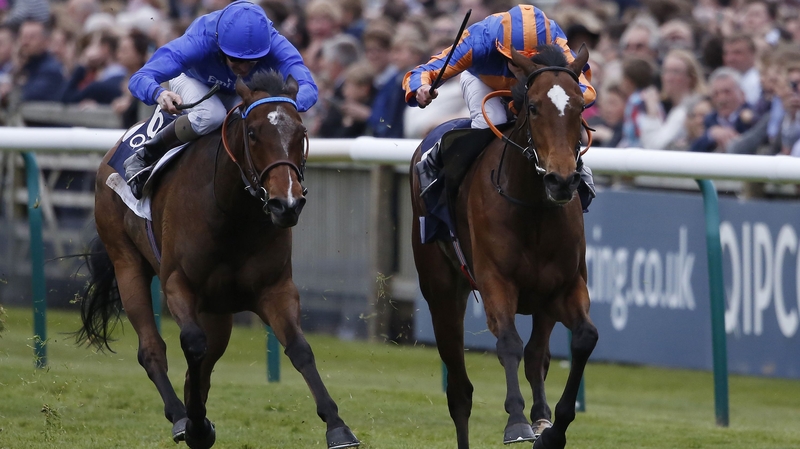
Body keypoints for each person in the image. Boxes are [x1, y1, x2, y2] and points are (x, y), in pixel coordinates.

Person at [403, 4, 596, 204]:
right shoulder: (479, 39)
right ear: (499, 47)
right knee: (493, 120)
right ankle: (440, 169)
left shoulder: (555, 40)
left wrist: (558, 99)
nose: (523, 71)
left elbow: (587, 91)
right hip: (483, 82)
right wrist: (422, 87)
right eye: (517, 62)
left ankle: (575, 171)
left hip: (537, 89)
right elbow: (426, 71)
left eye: (533, 63)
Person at [125, 0, 318, 199]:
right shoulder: (200, 40)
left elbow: (308, 87)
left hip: (238, 90)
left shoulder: (276, 44)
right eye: (236, 59)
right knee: (211, 115)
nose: (244, 68)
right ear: (219, 45)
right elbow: (140, 77)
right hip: (193, 79)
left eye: (252, 61)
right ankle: (146, 155)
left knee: (258, 120)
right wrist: (158, 93)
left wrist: (287, 104)